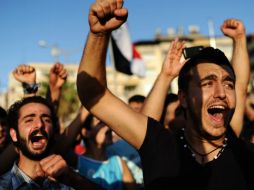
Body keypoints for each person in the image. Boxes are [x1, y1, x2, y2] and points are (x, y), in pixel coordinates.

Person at [76, 1, 254, 189]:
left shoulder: (246, 155)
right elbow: (94, 94)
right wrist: (99, 35)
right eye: (207, 83)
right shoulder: (159, 144)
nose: (221, 93)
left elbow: (241, 86)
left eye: (228, 84)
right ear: (183, 98)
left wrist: (240, 39)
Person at [0, 96, 103, 189]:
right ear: (14, 134)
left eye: (46, 120)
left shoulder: (69, 180)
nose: (40, 124)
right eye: (29, 120)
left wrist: (75, 180)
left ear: (53, 131)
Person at [68, 114, 137, 190]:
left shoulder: (119, 162)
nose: (108, 126)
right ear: (86, 132)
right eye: (100, 122)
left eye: (107, 122)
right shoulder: (77, 162)